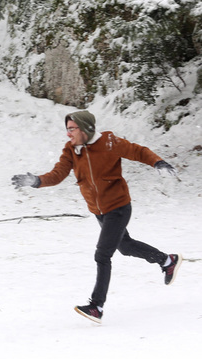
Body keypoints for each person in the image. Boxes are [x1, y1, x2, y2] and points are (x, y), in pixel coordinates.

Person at [12, 110, 182, 324]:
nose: (68, 134)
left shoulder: (109, 142)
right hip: (98, 210)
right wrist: (37, 181)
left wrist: (158, 163)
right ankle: (167, 260)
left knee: (102, 255)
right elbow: (58, 174)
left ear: (85, 128)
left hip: (118, 207)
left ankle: (96, 306)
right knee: (126, 246)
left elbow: (138, 151)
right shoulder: (71, 150)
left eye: (72, 129)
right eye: (67, 130)